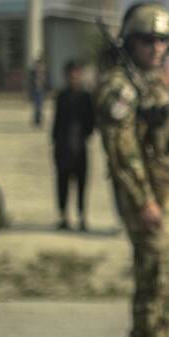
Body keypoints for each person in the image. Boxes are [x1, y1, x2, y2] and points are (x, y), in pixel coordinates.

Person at [95, 2, 169, 337]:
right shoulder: (120, 87)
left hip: (167, 194)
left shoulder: (156, 81)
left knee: (155, 278)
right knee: (162, 282)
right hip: (146, 200)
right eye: (147, 39)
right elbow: (122, 154)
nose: (156, 47)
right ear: (130, 42)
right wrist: (143, 202)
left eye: (162, 40)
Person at [51, 60, 95, 231]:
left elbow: (91, 123)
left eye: (77, 74)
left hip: (80, 147)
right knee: (62, 183)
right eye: (71, 74)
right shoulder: (62, 96)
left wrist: (83, 136)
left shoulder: (85, 97)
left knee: (81, 184)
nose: (74, 77)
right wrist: (55, 142)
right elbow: (57, 121)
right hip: (62, 147)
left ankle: (82, 217)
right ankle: (63, 217)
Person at [29, 58, 46, 128]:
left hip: (41, 92)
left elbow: (45, 83)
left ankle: (39, 122)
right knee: (36, 108)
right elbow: (30, 83)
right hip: (35, 92)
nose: (38, 66)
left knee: (40, 107)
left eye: (39, 65)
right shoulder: (33, 73)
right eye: (37, 65)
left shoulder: (43, 73)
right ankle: (36, 122)